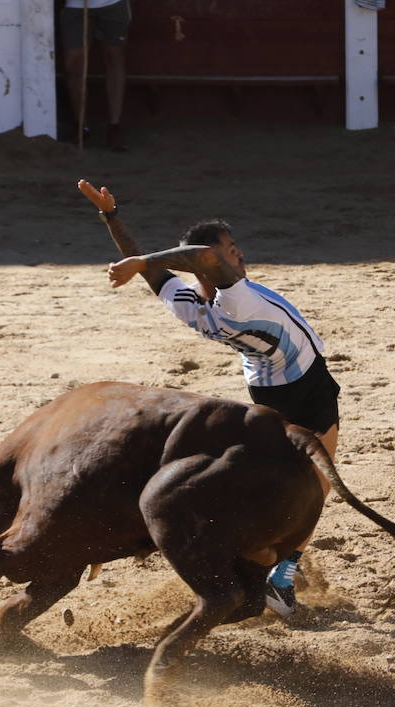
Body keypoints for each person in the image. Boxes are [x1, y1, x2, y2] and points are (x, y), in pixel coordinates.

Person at [77, 178, 342, 618]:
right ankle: (279, 576)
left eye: (235, 245)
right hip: (304, 388)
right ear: (209, 264)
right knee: (318, 486)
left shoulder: (189, 303)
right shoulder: (235, 298)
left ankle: (262, 561)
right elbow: (188, 259)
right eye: (229, 248)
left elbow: (156, 271)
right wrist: (142, 259)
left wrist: (112, 217)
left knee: (288, 484)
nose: (238, 253)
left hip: (264, 388)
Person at [59, 0, 129, 151]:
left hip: (112, 3)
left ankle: (114, 126)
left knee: (114, 57)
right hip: (76, 5)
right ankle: (82, 127)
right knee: (74, 65)